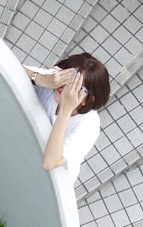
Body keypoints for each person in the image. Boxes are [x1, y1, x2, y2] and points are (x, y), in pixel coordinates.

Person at [23, 53, 110, 184]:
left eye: (77, 87)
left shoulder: (89, 125)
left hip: (52, 180)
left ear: (88, 99)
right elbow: (6, 66)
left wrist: (66, 109)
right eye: (68, 78)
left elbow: (50, 162)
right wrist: (42, 79)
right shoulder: (54, 82)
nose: (66, 87)